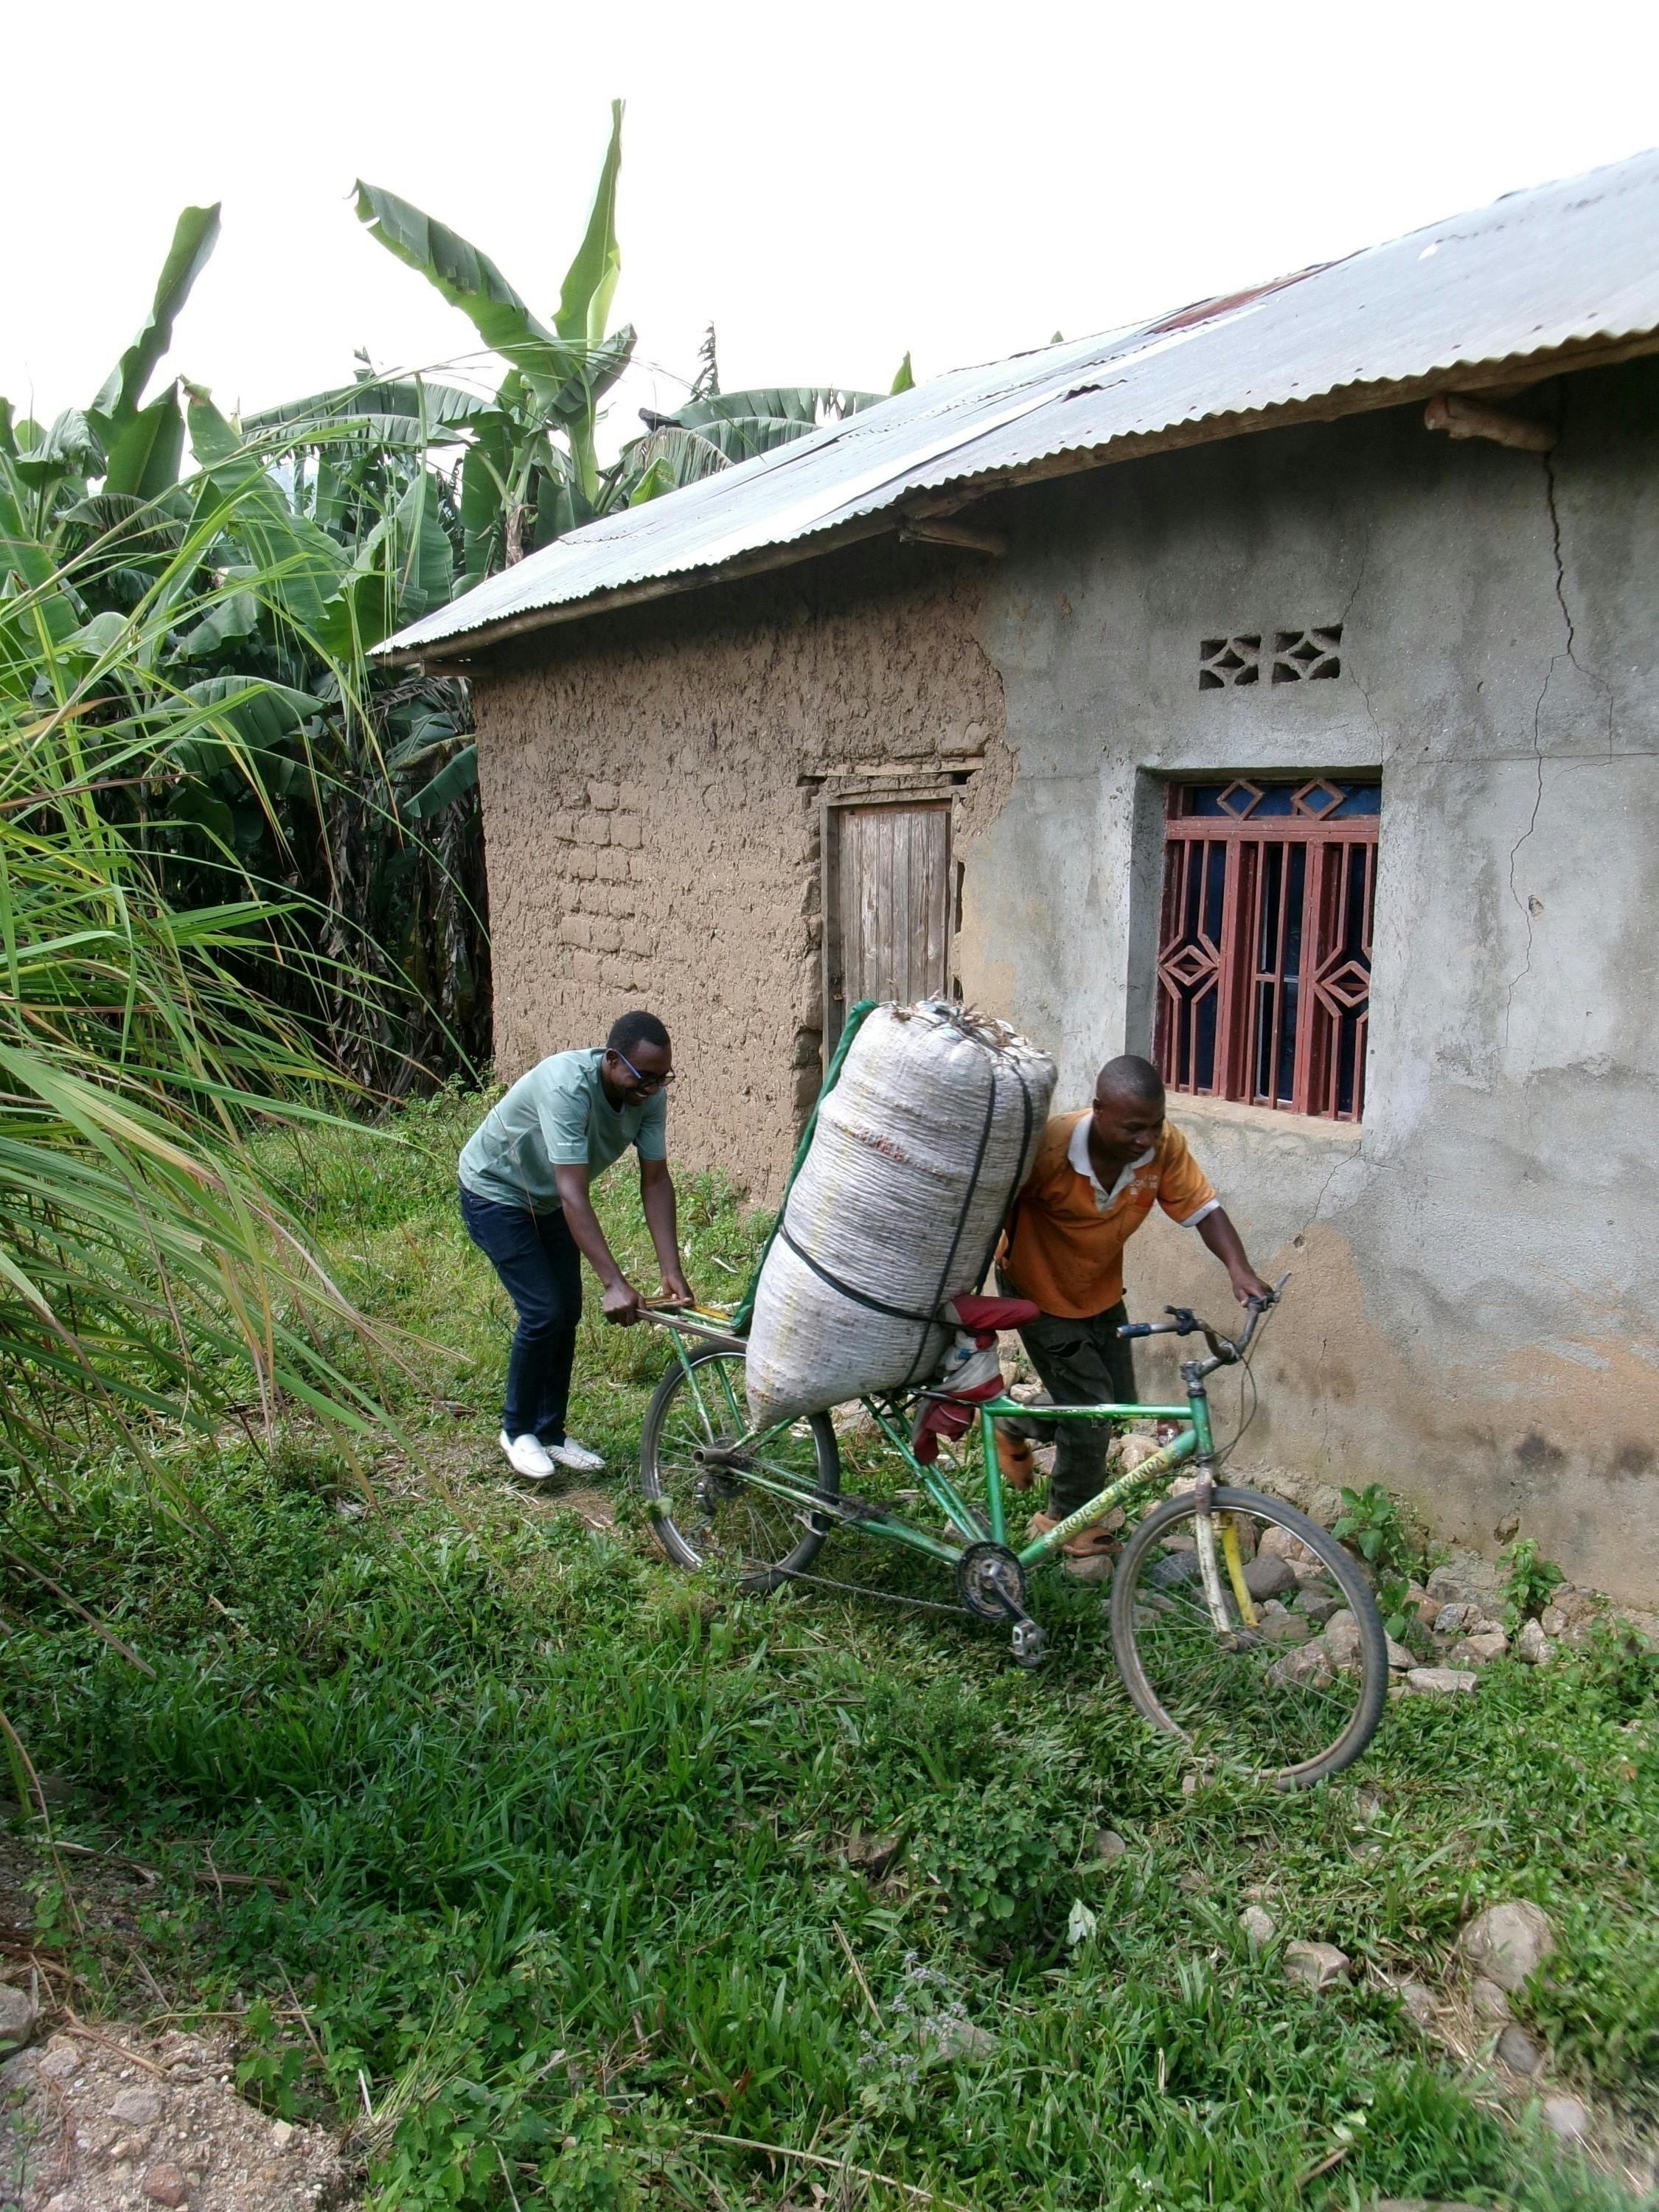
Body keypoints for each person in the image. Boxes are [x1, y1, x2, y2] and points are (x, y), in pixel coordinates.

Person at [996, 1053, 1270, 1574]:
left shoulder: (1161, 1149)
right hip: (1037, 1292)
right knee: (1093, 1412)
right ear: (1098, 1110)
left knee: (1116, 1402)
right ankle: (1067, 1519)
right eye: (1132, 1128)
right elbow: (992, 1210)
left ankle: (1017, 1422)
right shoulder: (1050, 1149)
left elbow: (1204, 1209)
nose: (1146, 1139)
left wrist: (1240, 1270)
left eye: (1154, 1125)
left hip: (1098, 1288)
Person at [458, 1011, 692, 1481]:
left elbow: (656, 1179)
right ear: (610, 1060)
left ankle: (550, 1432)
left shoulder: (648, 1096)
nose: (651, 1087)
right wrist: (615, 1282)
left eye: (662, 1077)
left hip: (545, 1201)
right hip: (496, 1191)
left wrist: (671, 1268)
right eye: (643, 1076)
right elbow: (573, 1193)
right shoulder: (567, 1085)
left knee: (567, 1309)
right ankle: (517, 1430)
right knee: (544, 1311)